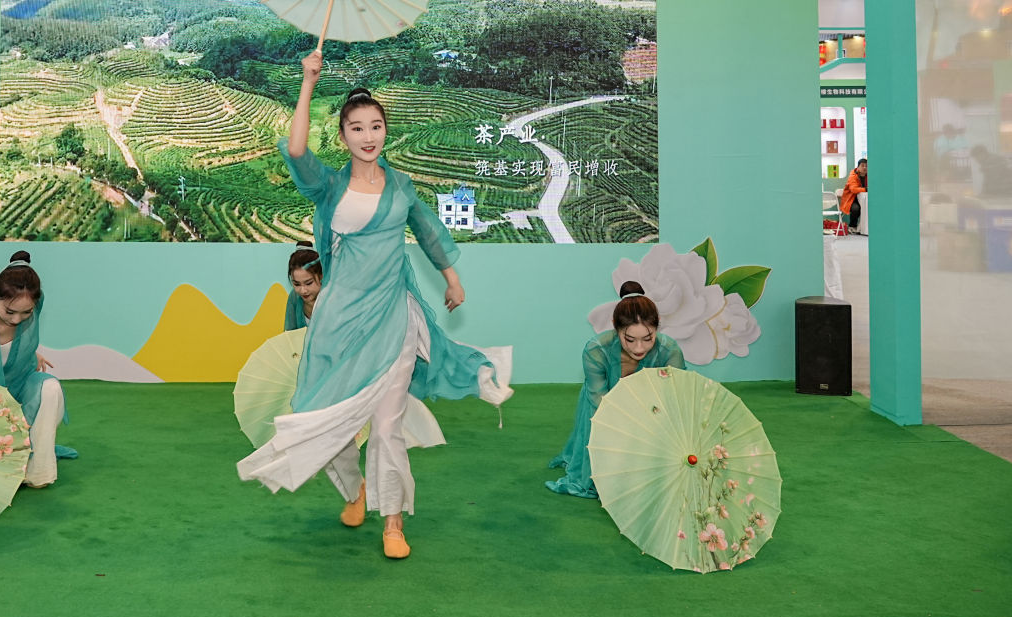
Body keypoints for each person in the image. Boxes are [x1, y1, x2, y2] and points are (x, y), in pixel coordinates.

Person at [238, 51, 511, 560]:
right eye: (357, 128)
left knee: (387, 426)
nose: (368, 136)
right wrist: (308, 81)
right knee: (322, 417)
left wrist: (451, 277)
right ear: (343, 136)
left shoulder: (401, 186)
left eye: (376, 126)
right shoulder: (328, 186)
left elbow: (428, 231)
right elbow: (295, 149)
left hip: (392, 318)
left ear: (386, 131)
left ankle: (393, 521)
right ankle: (354, 491)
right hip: (338, 323)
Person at [546, 281, 685, 497]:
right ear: (615, 327)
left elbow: (676, 396)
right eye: (629, 339)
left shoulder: (669, 350)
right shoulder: (596, 350)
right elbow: (599, 403)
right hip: (601, 406)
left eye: (648, 338)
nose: (639, 348)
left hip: (652, 409)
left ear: (657, 328)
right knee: (605, 466)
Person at [0, 250, 78, 488]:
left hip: (24, 388)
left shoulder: (34, 309)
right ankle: (13, 458)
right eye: (9, 312)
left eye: (26, 312)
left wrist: (31, 353)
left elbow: (17, 345)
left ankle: (38, 472)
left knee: (51, 387)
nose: (16, 320)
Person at [284, 242, 323, 329]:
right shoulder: (294, 296)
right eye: (296, 284)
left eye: (309, 283)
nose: (303, 291)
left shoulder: (333, 298)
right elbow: (290, 333)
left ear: (321, 276)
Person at [840, 158, 868, 232]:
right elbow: (853, 189)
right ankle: (852, 226)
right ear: (858, 167)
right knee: (856, 209)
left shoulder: (869, 176)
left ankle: (865, 227)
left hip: (865, 198)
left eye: (866, 166)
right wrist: (866, 189)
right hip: (852, 198)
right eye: (862, 166)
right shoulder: (853, 175)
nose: (865, 167)